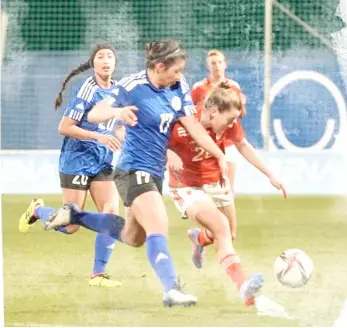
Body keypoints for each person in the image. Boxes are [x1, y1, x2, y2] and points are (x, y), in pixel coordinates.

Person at [45, 39, 234, 307]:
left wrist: (218, 155)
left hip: (154, 172)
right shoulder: (132, 86)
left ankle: (76, 216)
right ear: (159, 66)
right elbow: (96, 113)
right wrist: (118, 111)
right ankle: (171, 288)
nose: (180, 75)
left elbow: (194, 127)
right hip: (132, 170)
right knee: (159, 224)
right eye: (176, 70)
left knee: (133, 237)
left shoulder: (178, 87)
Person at [18, 43, 136, 288]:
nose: (106, 60)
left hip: (102, 159)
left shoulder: (118, 90)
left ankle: (98, 275)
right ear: (93, 64)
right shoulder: (87, 90)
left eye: (110, 56)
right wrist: (99, 137)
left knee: (110, 213)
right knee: (71, 225)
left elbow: (118, 123)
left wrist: (121, 135)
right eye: (100, 57)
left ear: (115, 63)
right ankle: (38, 210)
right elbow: (64, 127)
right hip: (77, 159)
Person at [167, 82, 287, 307]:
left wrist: (270, 174)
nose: (232, 125)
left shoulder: (227, 120)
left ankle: (199, 238)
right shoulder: (183, 120)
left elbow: (244, 146)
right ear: (213, 112)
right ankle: (243, 286)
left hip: (215, 181)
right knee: (220, 226)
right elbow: (153, 138)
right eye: (229, 120)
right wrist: (166, 153)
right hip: (186, 186)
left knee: (228, 234)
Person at [191, 49, 242, 194]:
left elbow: (239, 113)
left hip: (228, 142)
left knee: (228, 189)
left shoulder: (234, 87)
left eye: (220, 62)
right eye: (213, 63)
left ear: (225, 64)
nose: (217, 66)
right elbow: (191, 114)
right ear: (208, 66)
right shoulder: (199, 88)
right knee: (206, 188)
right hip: (207, 143)